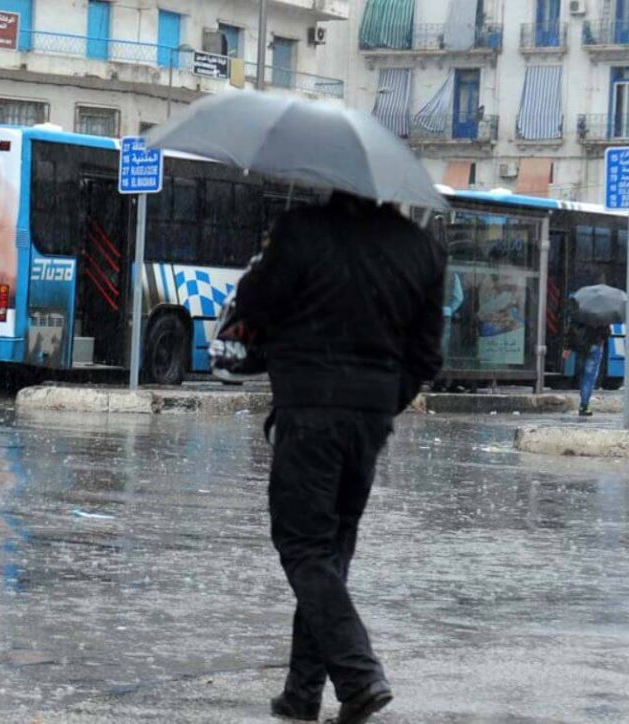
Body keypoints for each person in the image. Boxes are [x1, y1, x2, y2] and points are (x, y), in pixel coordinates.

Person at [234, 192, 446, 724]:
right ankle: (302, 692)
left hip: (309, 409)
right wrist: (379, 400)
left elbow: (255, 309)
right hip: (370, 417)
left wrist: (263, 265)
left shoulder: (301, 230)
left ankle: (359, 675)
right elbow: (427, 354)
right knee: (330, 550)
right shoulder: (420, 248)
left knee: (302, 545)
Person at [564, 309, 611, 417]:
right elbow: (607, 333)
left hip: (581, 346)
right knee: (589, 377)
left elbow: (571, 329)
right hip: (595, 346)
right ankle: (584, 405)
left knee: (582, 374)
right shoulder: (602, 313)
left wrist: (567, 347)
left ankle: (583, 399)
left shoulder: (580, 310)